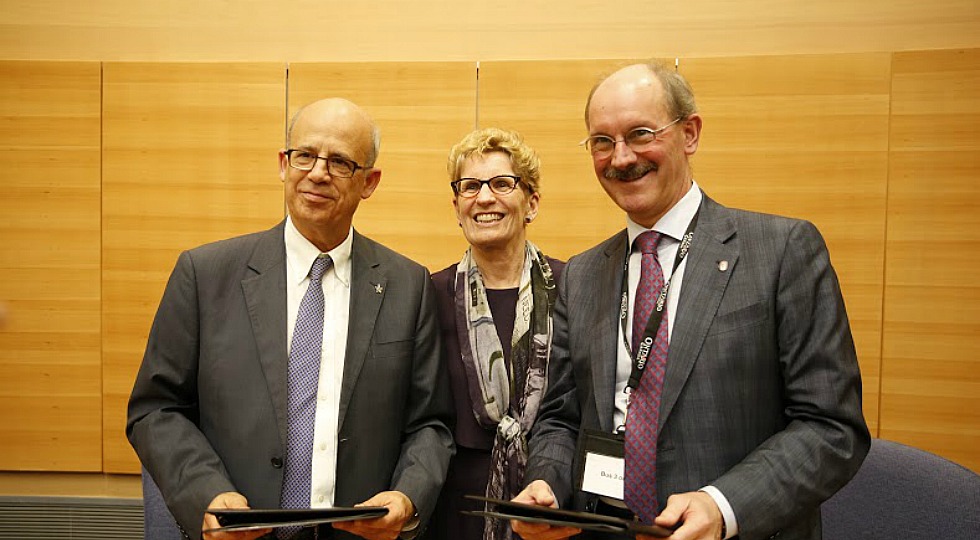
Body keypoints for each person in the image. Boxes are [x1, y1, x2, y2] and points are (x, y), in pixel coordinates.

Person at [511, 62, 870, 540]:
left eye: (640, 134)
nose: (621, 158)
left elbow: (831, 427)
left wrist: (724, 505)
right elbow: (561, 416)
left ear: (690, 133)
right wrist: (546, 482)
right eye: (602, 141)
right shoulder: (582, 274)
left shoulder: (781, 251)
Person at [127, 98, 455, 540]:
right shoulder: (205, 275)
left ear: (369, 182)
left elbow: (430, 425)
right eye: (305, 155)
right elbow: (156, 410)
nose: (318, 172)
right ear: (283, 164)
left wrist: (407, 497)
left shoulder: (408, 285)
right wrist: (206, 493)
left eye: (340, 161)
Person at [426, 128, 564, 540]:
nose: (484, 198)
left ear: (531, 202)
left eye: (502, 183)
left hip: (548, 504)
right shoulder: (429, 294)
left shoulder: (572, 286)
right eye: (470, 186)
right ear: (457, 206)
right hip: (454, 512)